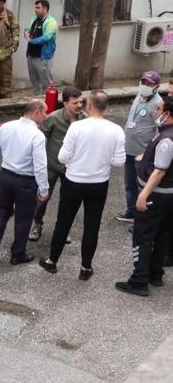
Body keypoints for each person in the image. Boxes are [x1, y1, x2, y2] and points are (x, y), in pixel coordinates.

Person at [39, 90, 125, 280]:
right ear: (106, 107)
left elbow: (62, 156)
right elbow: (119, 162)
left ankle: (52, 261)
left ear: (88, 105)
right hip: (99, 183)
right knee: (92, 226)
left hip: (74, 181)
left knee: (64, 221)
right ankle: (86, 267)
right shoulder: (116, 130)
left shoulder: (77, 127)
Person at [116, 96, 173, 296]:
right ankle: (155, 274)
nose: (155, 112)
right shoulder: (164, 134)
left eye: (158, 109)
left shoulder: (167, 139)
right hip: (167, 197)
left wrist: (143, 195)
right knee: (162, 234)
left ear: (167, 114)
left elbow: (160, 171)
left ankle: (139, 280)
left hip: (156, 196)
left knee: (143, 235)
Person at [0, 99, 49, 264]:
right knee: (24, 217)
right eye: (45, 112)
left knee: (2, 210)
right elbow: (40, 166)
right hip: (26, 182)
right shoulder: (37, 135)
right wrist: (44, 189)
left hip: (7, 176)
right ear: (36, 112)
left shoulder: (6, 126)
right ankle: (17, 254)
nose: (46, 116)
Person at [29, 87, 87, 241]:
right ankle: (36, 224)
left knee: (68, 202)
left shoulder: (85, 120)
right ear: (66, 103)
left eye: (81, 101)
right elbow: (41, 141)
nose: (80, 105)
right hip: (52, 167)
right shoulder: (53, 118)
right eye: (75, 102)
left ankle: (62, 229)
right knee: (42, 198)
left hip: (73, 170)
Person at [116, 71, 163, 224]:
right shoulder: (139, 96)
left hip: (142, 153)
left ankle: (141, 216)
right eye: (143, 82)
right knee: (129, 183)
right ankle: (131, 211)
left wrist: (150, 151)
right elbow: (132, 119)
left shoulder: (158, 103)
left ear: (156, 86)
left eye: (149, 83)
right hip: (129, 149)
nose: (145, 86)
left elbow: (159, 129)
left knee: (141, 185)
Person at [25, 0, 58, 97]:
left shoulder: (51, 22)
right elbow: (27, 30)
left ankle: (48, 105)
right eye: (35, 7)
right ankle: (37, 103)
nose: (35, 10)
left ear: (45, 8)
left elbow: (46, 37)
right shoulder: (35, 19)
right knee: (35, 82)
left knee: (46, 84)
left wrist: (31, 40)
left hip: (42, 57)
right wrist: (26, 33)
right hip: (31, 56)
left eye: (38, 7)